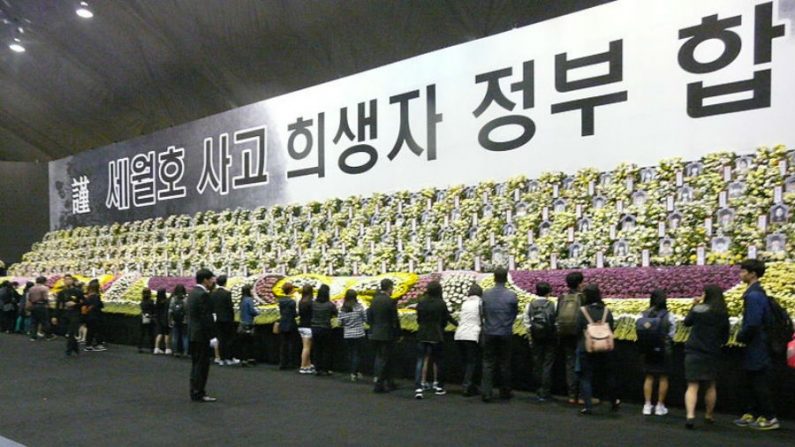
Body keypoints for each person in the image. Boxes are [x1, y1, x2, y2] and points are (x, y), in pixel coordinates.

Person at [734, 259, 780, 430]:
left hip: (757, 346)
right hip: (758, 344)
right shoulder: (757, 293)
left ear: (752, 274)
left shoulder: (753, 295)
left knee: (759, 382)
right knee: (752, 381)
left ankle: (770, 417)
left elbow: (752, 323)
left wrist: (741, 336)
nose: (741, 274)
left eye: (743, 271)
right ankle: (753, 413)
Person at [683, 285, 730, 429]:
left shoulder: (699, 309)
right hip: (712, 352)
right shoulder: (722, 312)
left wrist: (695, 305)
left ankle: (690, 416)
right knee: (710, 385)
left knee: (692, 385)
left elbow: (687, 323)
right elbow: (725, 336)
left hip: (694, 351)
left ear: (707, 295)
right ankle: (709, 415)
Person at [577, 284, 619, 415]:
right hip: (605, 347)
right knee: (609, 376)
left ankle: (588, 406)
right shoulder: (606, 311)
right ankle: (614, 401)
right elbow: (612, 326)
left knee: (586, 377)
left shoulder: (582, 311)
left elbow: (577, 328)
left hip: (587, 347)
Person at [480, 267, 518, 402]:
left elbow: (482, 313)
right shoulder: (511, 295)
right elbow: (514, 313)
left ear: (494, 278)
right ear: (506, 278)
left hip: (489, 331)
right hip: (505, 332)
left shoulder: (486, 294)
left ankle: (486, 393)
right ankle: (505, 391)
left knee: (488, 363)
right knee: (505, 363)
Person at [414, 280, 457, 399]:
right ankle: (439, 386)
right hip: (436, 335)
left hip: (422, 334)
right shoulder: (440, 303)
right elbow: (446, 318)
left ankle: (419, 387)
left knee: (420, 361)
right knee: (438, 361)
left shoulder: (421, 302)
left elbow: (418, 319)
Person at [639, 290, 676, 416]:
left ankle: (647, 405)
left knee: (649, 377)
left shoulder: (644, 314)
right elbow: (672, 334)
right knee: (663, 377)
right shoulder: (669, 315)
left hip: (648, 350)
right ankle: (660, 406)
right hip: (664, 350)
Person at [524, 282, 557, 402]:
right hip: (550, 338)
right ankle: (546, 391)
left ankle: (538, 390)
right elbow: (556, 321)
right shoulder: (553, 304)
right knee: (547, 364)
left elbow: (526, 323)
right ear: (548, 292)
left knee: (537, 363)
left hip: (536, 337)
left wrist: (531, 336)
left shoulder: (530, 305)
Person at [188, 268, 217, 402]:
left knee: (196, 364)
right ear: (205, 280)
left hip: (194, 333)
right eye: (211, 279)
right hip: (202, 335)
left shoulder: (193, 293)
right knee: (202, 365)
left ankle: (195, 390)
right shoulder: (203, 295)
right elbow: (206, 317)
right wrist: (212, 336)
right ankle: (199, 392)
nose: (213, 281)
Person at [368, 278, 401, 393]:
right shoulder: (390, 301)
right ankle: (381, 383)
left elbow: (369, 316)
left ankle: (382, 380)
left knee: (379, 358)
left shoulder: (374, 300)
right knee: (386, 359)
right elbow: (395, 320)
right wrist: (398, 333)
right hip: (387, 334)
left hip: (375, 333)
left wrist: (372, 327)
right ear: (389, 288)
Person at [557, 271, 584, 404]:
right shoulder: (583, 297)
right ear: (580, 283)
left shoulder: (562, 297)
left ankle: (571, 395)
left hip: (565, 333)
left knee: (569, 363)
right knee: (581, 363)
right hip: (579, 334)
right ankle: (581, 396)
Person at [454, 284, 483, 397]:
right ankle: (467, 386)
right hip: (472, 335)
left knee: (465, 362)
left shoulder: (465, 303)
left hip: (460, 334)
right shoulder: (480, 303)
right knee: (472, 362)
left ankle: (468, 384)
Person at [338, 289, 367, 382]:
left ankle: (352, 371)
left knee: (351, 354)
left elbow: (340, 322)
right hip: (359, 334)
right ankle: (355, 372)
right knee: (357, 354)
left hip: (347, 334)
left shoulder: (343, 309)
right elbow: (365, 318)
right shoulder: (359, 307)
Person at [311, 284, 338, 376]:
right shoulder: (330, 305)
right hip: (326, 328)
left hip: (315, 328)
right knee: (327, 349)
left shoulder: (313, 303)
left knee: (317, 349)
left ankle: (317, 368)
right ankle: (326, 369)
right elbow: (336, 313)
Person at [210, 275, 237, 366]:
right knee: (229, 339)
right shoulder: (227, 293)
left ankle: (220, 358)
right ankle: (229, 358)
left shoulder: (214, 293)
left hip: (217, 319)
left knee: (220, 338)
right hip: (227, 319)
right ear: (225, 282)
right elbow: (230, 307)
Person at [55, 274, 85, 357]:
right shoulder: (61, 292)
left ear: (72, 280)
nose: (67, 281)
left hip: (75, 313)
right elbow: (58, 304)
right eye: (65, 279)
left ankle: (68, 350)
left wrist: (75, 304)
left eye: (69, 279)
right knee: (66, 332)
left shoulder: (78, 291)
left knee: (71, 332)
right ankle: (75, 347)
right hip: (65, 314)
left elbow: (85, 302)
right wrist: (55, 316)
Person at [277, 283, 299, 370]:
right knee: (291, 344)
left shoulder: (281, 301)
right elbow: (294, 314)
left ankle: (282, 363)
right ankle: (291, 363)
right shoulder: (292, 302)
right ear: (290, 290)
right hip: (291, 324)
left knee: (283, 344)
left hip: (283, 323)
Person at [238, 284, 260, 366]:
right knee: (250, 342)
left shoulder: (242, 299)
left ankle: (244, 359)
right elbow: (252, 311)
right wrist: (258, 312)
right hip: (249, 323)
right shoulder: (249, 300)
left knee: (244, 343)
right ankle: (250, 358)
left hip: (243, 323)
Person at [82, 279, 106, 352]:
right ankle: (98, 344)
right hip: (95, 316)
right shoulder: (96, 296)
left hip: (89, 316)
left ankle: (88, 344)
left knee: (90, 331)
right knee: (97, 330)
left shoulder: (88, 296)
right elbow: (99, 305)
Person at [297, 285, 315, 374]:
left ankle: (308, 365)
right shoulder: (311, 303)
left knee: (306, 347)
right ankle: (303, 366)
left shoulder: (301, 302)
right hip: (308, 327)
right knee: (306, 348)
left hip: (301, 326)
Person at [27, 276, 51, 340]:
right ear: (44, 281)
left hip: (33, 305)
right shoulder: (44, 288)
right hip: (41, 305)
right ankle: (48, 336)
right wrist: (48, 303)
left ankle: (33, 337)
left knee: (34, 322)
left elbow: (29, 298)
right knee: (44, 321)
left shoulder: (31, 288)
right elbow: (45, 298)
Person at [168, 284, 189, 357]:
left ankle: (175, 351)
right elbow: (188, 310)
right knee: (185, 336)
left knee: (175, 336)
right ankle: (185, 352)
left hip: (175, 320)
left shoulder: (173, 298)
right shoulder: (186, 298)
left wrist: (170, 320)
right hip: (185, 320)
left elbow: (170, 310)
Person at [153, 288, 172, 355]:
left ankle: (156, 348)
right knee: (167, 334)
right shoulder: (166, 302)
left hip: (158, 319)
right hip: (165, 319)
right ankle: (167, 348)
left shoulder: (157, 302)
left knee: (159, 333)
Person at [138, 289, 156, 354]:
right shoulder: (151, 302)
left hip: (143, 318)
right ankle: (152, 348)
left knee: (142, 333)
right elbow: (154, 309)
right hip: (150, 318)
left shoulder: (142, 302)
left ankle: (140, 347)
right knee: (151, 334)